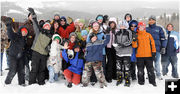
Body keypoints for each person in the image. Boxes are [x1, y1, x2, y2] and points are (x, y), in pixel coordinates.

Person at [28, 8, 53, 85]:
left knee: (42, 69)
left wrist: (48, 48)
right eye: (46, 26)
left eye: (48, 26)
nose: (47, 27)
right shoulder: (39, 32)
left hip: (44, 54)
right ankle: (31, 82)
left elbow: (51, 46)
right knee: (34, 68)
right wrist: (33, 13)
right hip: (36, 52)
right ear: (44, 27)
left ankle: (41, 82)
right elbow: (35, 23)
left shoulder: (51, 36)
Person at [4, 17, 28, 86]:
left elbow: (25, 48)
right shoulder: (16, 36)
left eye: (25, 32)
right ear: (20, 31)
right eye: (23, 31)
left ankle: (22, 83)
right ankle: (7, 83)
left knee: (21, 70)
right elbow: (10, 34)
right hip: (13, 56)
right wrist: (8, 25)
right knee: (13, 70)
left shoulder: (25, 39)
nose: (24, 33)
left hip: (20, 56)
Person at [132, 22, 157, 86]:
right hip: (139, 56)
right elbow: (134, 46)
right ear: (138, 27)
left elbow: (153, 44)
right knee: (140, 70)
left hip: (148, 55)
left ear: (144, 27)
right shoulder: (136, 35)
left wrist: (154, 52)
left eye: (142, 26)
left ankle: (152, 82)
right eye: (140, 26)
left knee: (150, 70)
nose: (141, 27)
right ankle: (141, 82)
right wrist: (134, 40)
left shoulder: (148, 35)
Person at [146, 15, 167, 80]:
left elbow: (164, 38)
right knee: (149, 63)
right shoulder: (146, 28)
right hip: (148, 49)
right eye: (150, 20)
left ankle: (158, 74)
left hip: (157, 49)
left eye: (153, 20)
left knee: (157, 62)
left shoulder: (159, 28)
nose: (151, 21)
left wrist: (163, 47)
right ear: (148, 21)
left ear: (155, 20)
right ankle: (150, 73)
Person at [113, 20, 132, 87]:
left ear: (126, 26)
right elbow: (115, 41)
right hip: (119, 52)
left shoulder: (128, 32)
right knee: (118, 66)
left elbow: (130, 41)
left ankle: (127, 80)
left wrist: (123, 44)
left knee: (126, 67)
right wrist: (116, 46)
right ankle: (119, 79)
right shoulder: (117, 33)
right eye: (121, 25)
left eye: (123, 25)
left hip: (127, 52)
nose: (122, 27)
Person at [86, 21, 106, 85]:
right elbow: (88, 41)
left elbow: (105, 41)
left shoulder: (102, 33)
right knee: (93, 66)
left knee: (101, 67)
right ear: (93, 27)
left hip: (101, 52)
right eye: (94, 26)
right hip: (93, 52)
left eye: (97, 26)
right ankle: (93, 79)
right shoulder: (90, 33)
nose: (96, 27)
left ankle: (102, 80)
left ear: (99, 26)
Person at [105, 17, 118, 83]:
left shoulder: (117, 30)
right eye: (111, 23)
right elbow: (104, 38)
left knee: (115, 61)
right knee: (110, 61)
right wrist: (107, 32)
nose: (112, 25)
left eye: (113, 23)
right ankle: (108, 76)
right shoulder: (107, 30)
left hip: (115, 47)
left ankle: (114, 75)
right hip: (108, 47)